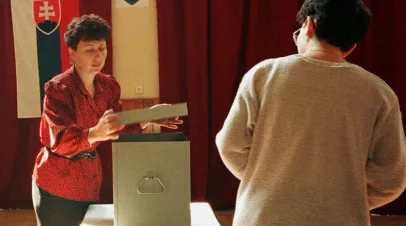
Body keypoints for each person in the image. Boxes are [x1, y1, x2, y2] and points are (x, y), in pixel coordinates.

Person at [215, 0, 406, 225]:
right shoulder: (379, 92)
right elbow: (391, 179)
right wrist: (345, 201)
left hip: (262, 216)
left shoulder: (264, 74)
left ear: (309, 25)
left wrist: (268, 184)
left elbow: (230, 145)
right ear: (352, 46)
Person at [31, 14, 183, 226]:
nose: (98, 56)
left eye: (102, 48)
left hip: (89, 181)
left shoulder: (108, 85)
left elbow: (118, 126)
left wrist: (149, 116)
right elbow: (61, 140)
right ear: (72, 53)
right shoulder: (58, 89)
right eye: (90, 49)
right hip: (57, 184)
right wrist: (95, 133)